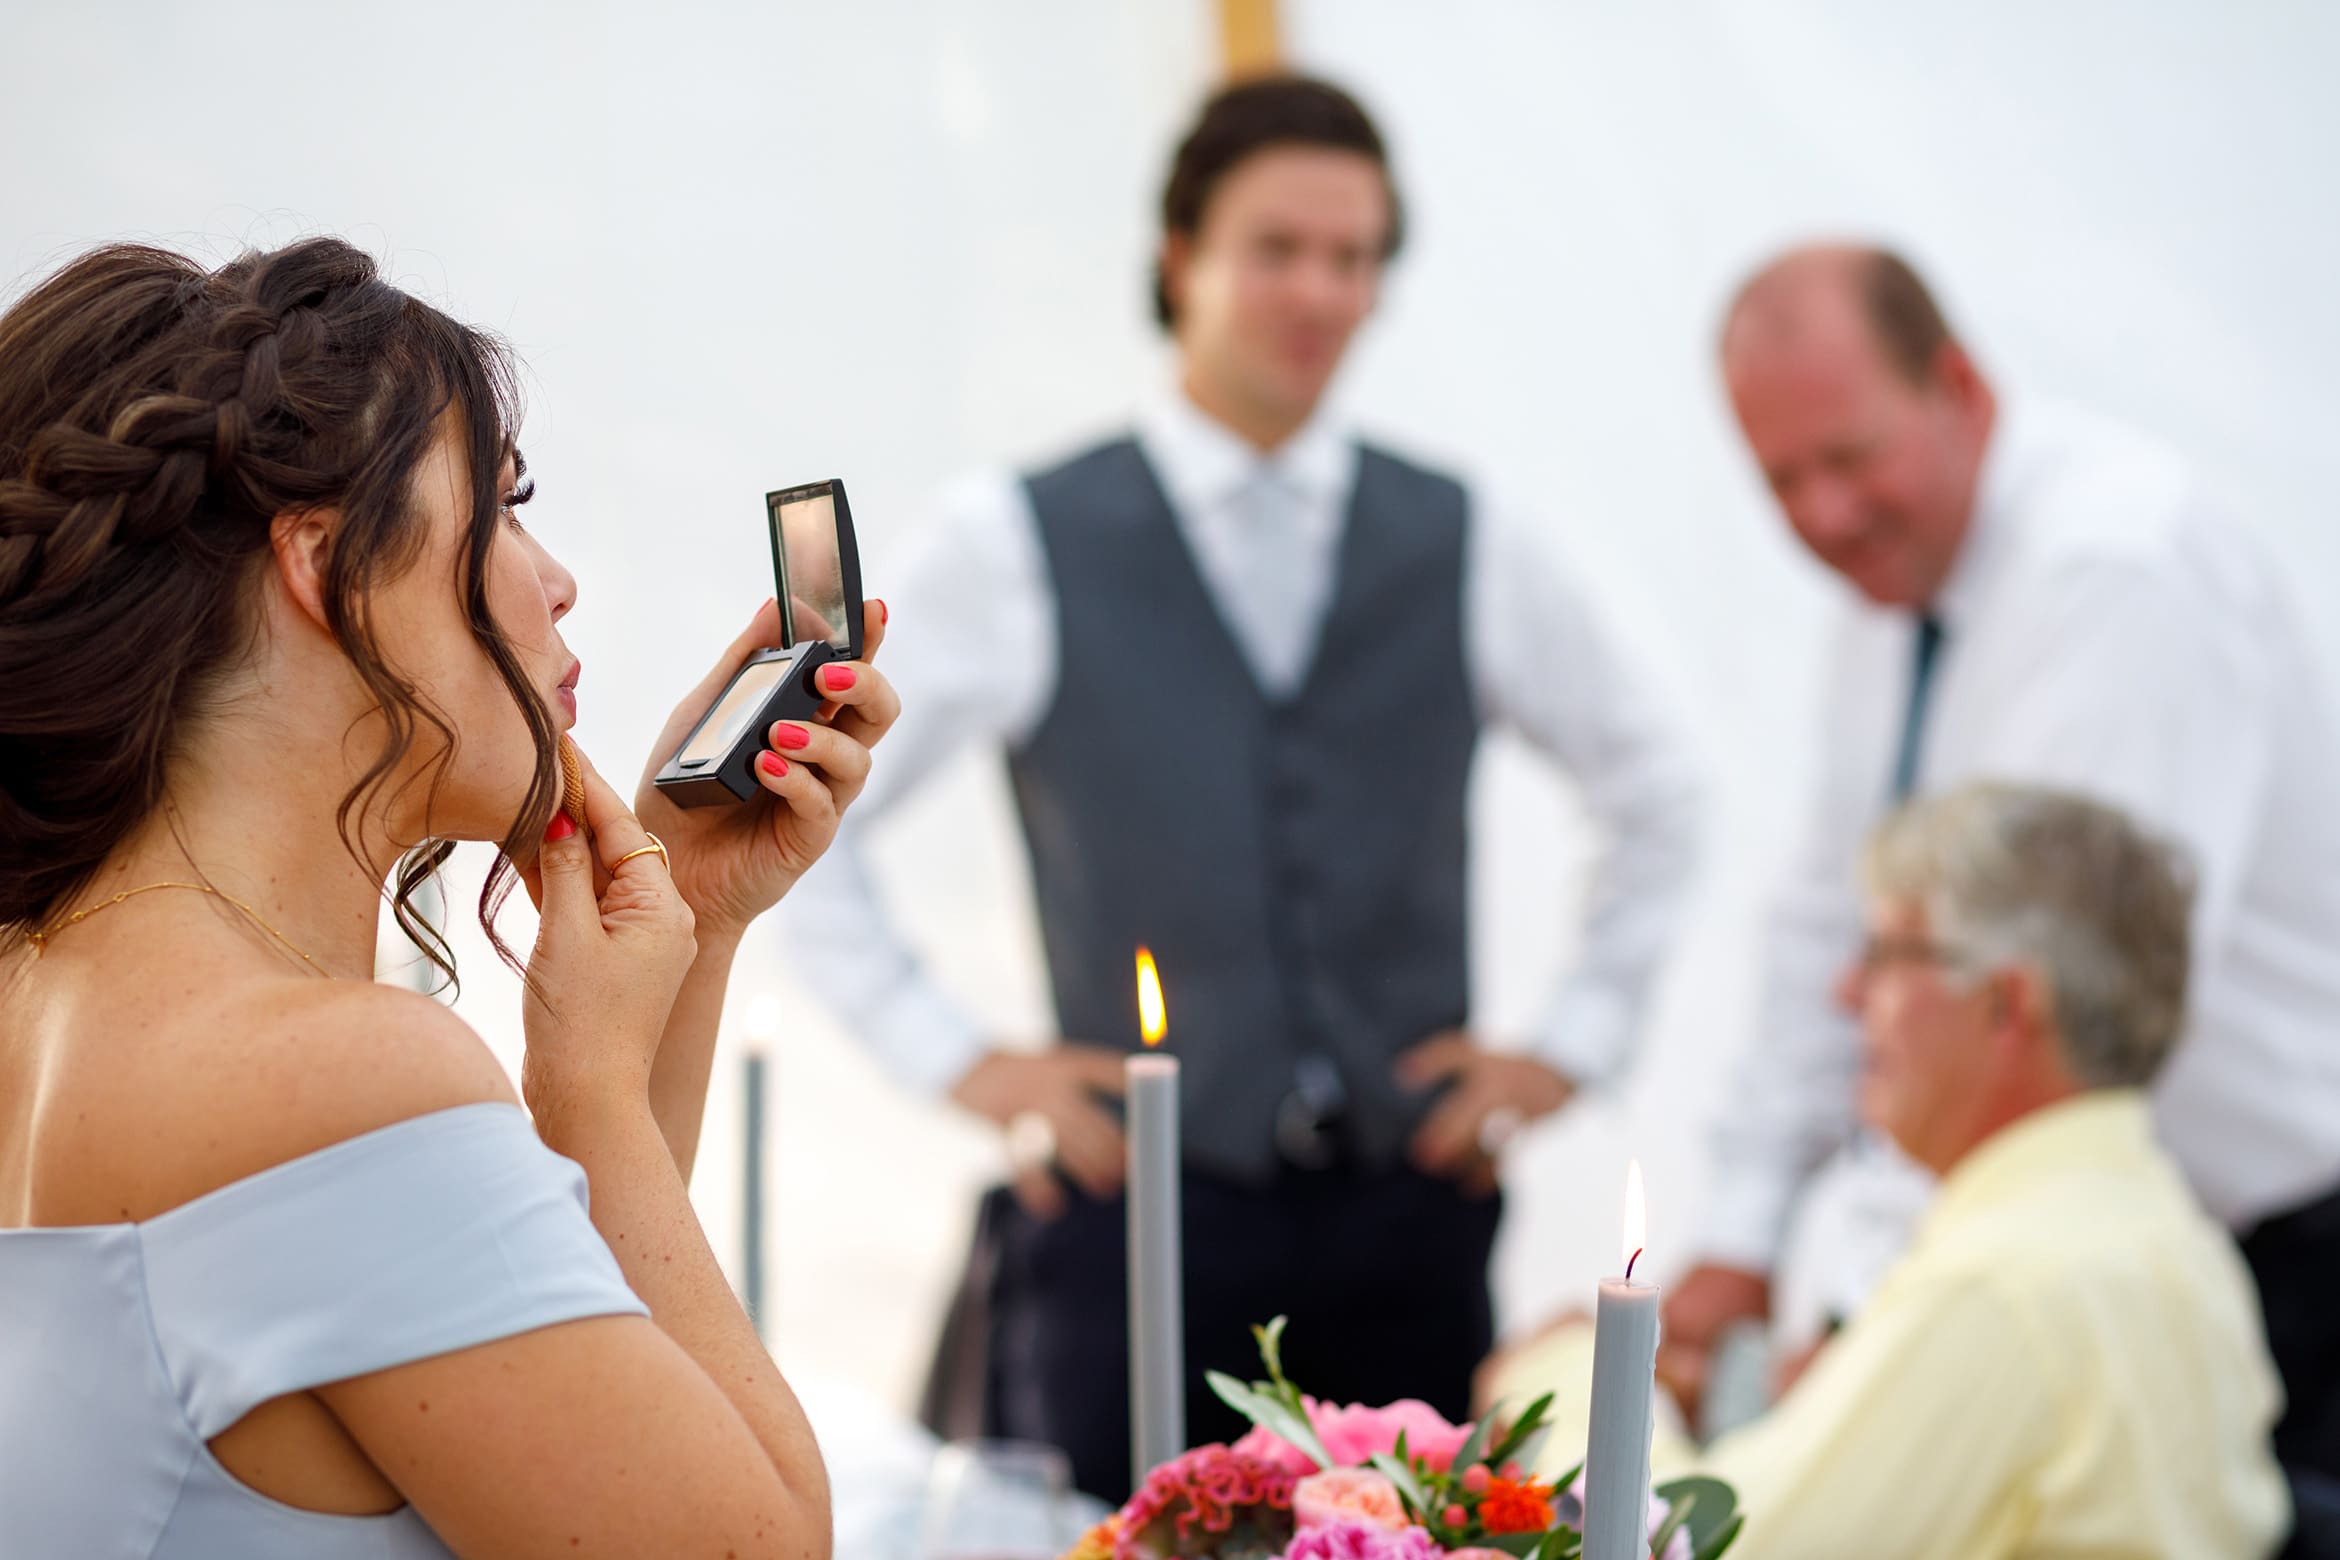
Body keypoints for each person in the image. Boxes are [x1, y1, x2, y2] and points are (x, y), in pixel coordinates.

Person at [776, 75, 1705, 1499]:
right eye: (1279, 249)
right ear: (1180, 260)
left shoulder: (1468, 536)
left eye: (1356, 258)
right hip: (1135, 1224)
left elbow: (1661, 785)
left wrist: (1570, 1041)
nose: (1321, 292)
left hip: (1408, 1230)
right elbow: (801, 806)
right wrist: (954, 1058)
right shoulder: (1018, 539)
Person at [0, 238, 900, 1556]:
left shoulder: (41, 996)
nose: (558, 581)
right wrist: (582, 1082)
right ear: (327, 565)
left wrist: (688, 930)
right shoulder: (328, 1080)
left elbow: (554, 1359)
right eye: (508, 499)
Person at [1659, 245, 2340, 1492]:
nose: (1821, 515)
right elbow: (1828, 928)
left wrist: (1869, 1314)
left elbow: (2030, 1020)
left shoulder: (2117, 575)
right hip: (2082, 1242)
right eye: (1781, 480)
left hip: (2281, 1259)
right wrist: (1737, 1236)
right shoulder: (1892, 587)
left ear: (1959, 388)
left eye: (1850, 459)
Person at [1487, 783, 2290, 1558]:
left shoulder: (2008, 1285)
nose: (1846, 993)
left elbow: (1713, 1547)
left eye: (1886, 952)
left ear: (2006, 1005)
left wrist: (1561, 1381)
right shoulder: (2167, 1235)